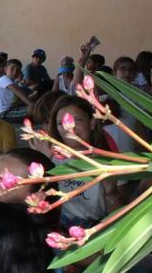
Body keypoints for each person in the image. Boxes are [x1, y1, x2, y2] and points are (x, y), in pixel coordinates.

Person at [49, 95, 122, 229]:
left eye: (78, 120)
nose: (69, 128)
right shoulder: (50, 160)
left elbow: (120, 219)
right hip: (59, 230)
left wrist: (111, 191)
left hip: (96, 229)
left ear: (92, 123)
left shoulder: (108, 163)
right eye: (61, 123)